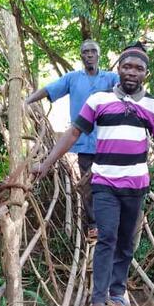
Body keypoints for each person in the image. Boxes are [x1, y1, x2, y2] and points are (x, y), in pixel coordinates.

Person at [33, 42, 154, 306]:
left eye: (138, 68)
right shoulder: (99, 100)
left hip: (136, 186)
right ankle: (98, 298)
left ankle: (117, 289)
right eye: (127, 66)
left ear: (145, 73)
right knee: (106, 238)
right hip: (104, 182)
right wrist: (46, 164)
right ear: (118, 69)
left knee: (127, 241)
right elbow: (72, 134)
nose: (132, 72)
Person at [25, 40, 119, 239]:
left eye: (94, 51)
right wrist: (26, 101)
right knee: (87, 183)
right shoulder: (72, 79)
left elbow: (129, 88)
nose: (90, 55)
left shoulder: (110, 78)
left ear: (99, 55)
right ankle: (93, 224)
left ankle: (110, 222)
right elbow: (49, 89)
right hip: (84, 142)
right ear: (81, 56)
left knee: (109, 182)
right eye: (86, 52)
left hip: (108, 141)